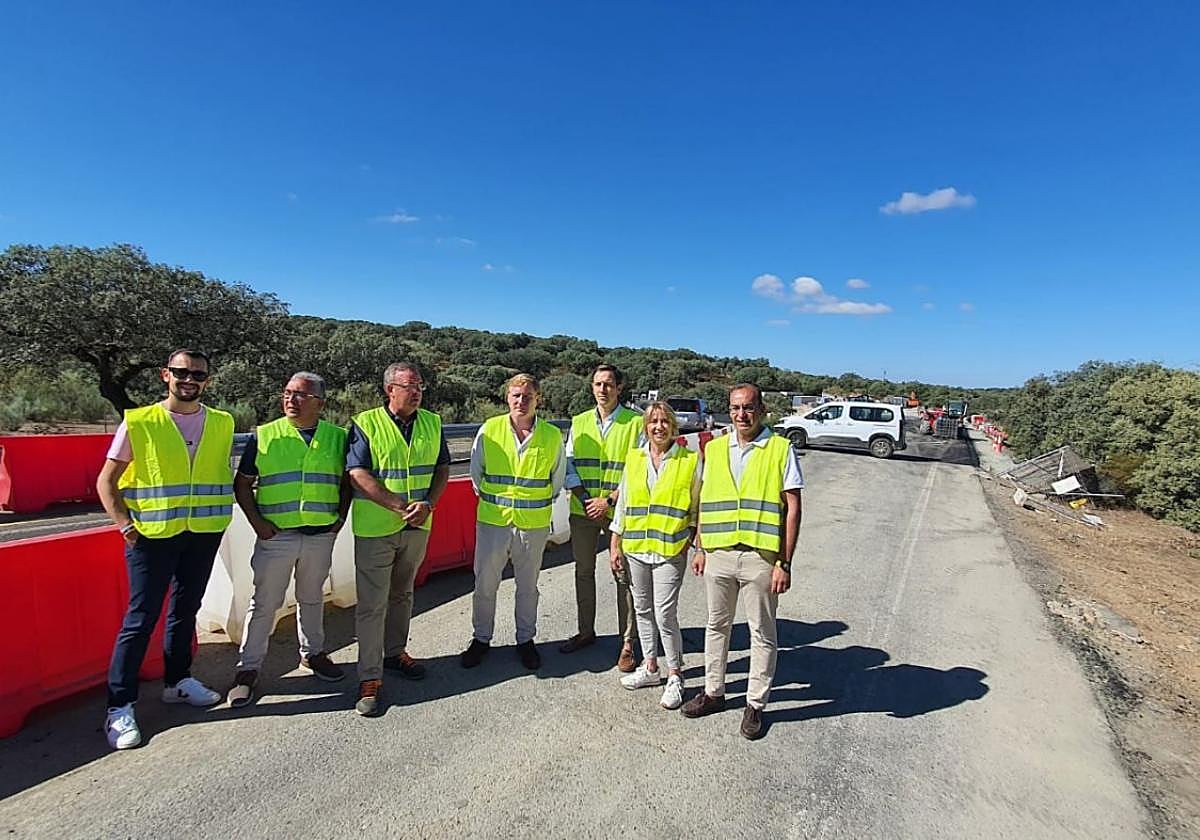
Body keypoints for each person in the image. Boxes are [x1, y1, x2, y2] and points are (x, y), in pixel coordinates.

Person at [96, 349, 234, 750]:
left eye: (198, 374)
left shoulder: (222, 422)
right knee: (141, 618)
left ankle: (178, 680)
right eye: (181, 372)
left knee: (185, 610)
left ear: (207, 380)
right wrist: (125, 526)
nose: (189, 379)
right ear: (165, 375)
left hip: (202, 532)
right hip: (151, 537)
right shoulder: (139, 421)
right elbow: (107, 481)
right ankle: (119, 705)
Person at [681, 383, 803, 740]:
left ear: (761, 410)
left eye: (748, 408)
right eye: (735, 408)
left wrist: (784, 562)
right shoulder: (715, 449)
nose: (741, 415)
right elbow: (704, 499)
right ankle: (714, 692)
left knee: (761, 632)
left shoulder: (780, 449)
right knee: (716, 626)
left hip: (760, 557)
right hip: (718, 553)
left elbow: (793, 508)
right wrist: (701, 546)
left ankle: (755, 704)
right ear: (728, 410)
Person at [227, 372, 351, 708]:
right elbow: (242, 484)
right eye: (287, 393)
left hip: (319, 534)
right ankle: (247, 669)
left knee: (312, 597)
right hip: (276, 536)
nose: (290, 400)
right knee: (264, 602)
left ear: (320, 403)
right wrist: (258, 524)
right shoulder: (264, 436)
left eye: (300, 395)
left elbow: (346, 483)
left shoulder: (338, 438)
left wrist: (339, 519)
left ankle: (313, 654)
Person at [346, 362, 451, 717]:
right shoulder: (366, 422)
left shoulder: (432, 423)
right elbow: (357, 473)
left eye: (420, 385)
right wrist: (401, 505)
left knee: (403, 595)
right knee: (373, 604)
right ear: (390, 389)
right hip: (377, 527)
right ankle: (369, 677)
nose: (417, 391)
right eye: (409, 386)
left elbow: (441, 469)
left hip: (417, 526)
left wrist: (430, 504)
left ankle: (395, 653)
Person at [462, 373, 565, 670]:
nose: (521, 401)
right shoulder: (489, 429)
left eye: (528, 396)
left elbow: (556, 481)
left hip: (532, 524)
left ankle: (525, 640)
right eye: (516, 395)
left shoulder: (551, 436)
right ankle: (481, 639)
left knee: (528, 586)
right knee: (484, 583)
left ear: (538, 400)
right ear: (507, 397)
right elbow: (476, 474)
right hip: (494, 522)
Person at [608, 401, 700, 710]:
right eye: (653, 421)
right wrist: (614, 543)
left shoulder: (689, 460)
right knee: (643, 609)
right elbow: (623, 504)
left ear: (673, 426)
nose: (658, 426)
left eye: (664, 421)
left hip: (670, 549)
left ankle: (675, 674)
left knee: (665, 613)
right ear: (645, 426)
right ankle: (650, 667)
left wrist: (695, 540)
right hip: (636, 547)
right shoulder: (634, 458)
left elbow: (697, 506)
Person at [560, 364, 643, 670]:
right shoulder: (579, 421)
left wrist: (608, 501)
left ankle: (627, 642)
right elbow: (568, 465)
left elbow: (639, 470)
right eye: (597, 384)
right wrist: (586, 500)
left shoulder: (636, 423)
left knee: (623, 575)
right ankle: (585, 632)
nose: (602, 389)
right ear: (591, 387)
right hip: (583, 509)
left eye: (608, 384)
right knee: (583, 572)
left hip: (619, 511)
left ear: (619, 387)